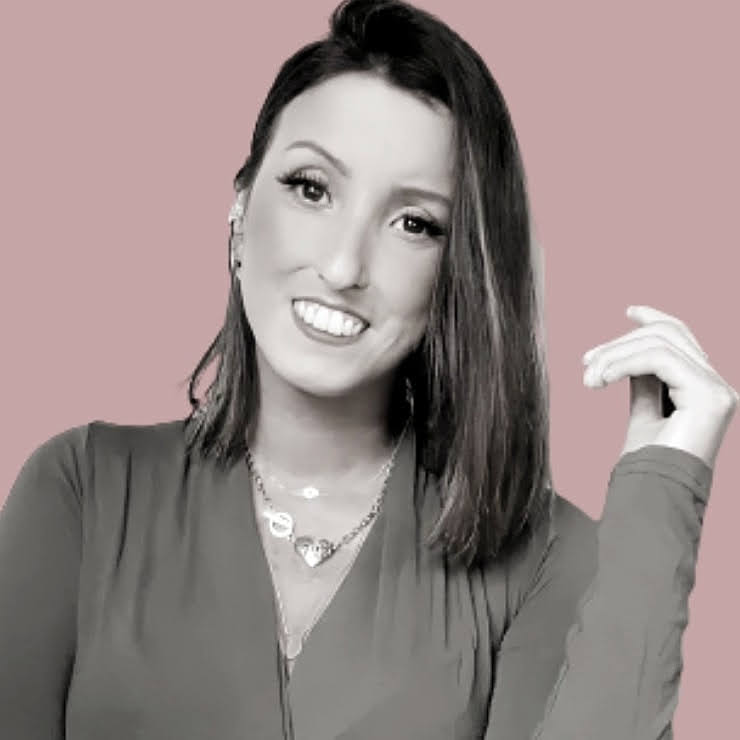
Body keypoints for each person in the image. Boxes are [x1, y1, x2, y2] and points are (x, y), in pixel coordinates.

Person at [0, 0, 736, 738]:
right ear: (240, 209)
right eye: (311, 188)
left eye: (415, 224)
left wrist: (661, 496)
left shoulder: (546, 556)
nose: (343, 265)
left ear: (460, 270)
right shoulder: (83, 493)